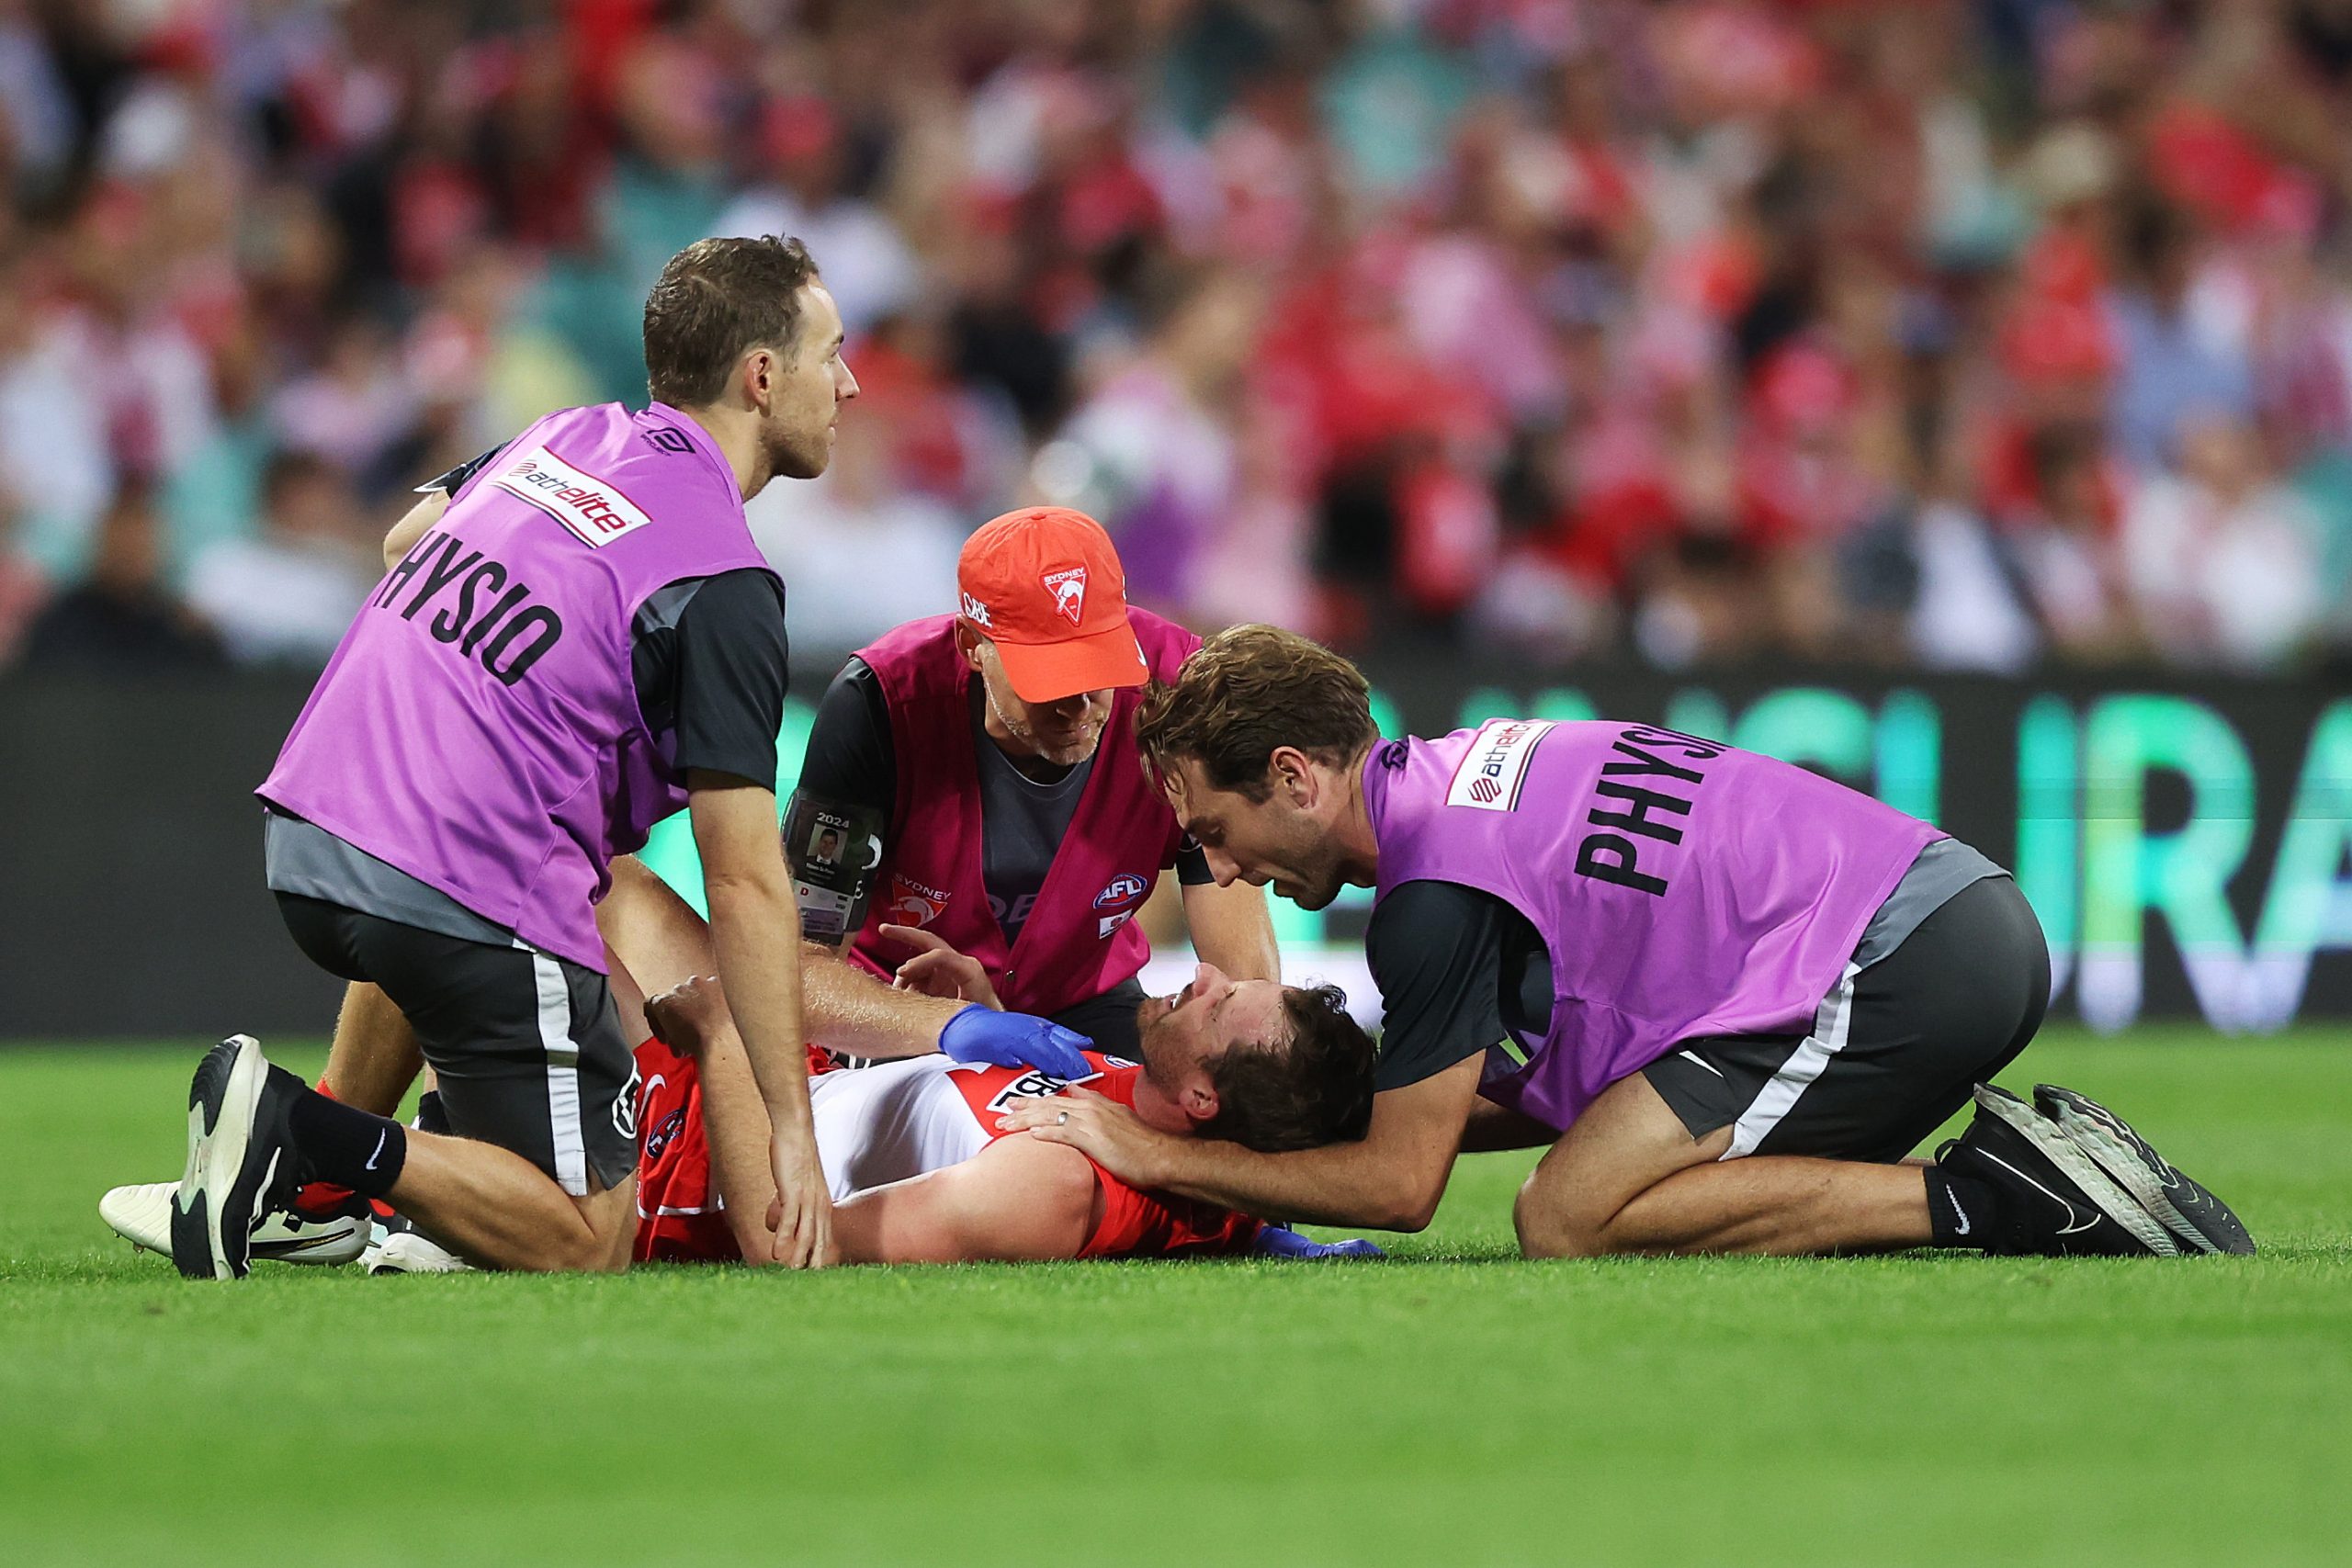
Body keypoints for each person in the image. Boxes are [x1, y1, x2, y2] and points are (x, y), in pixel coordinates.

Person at [999, 625, 2256, 1262]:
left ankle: (2010, 1198)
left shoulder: (1431, 895)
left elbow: (1401, 1185)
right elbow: (1489, 1096)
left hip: (1890, 963)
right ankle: (2025, 1177)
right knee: (1602, 1178)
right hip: (1928, 920)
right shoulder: (1466, 774)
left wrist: (1137, 1148)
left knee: (1574, 1215)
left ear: (1293, 774)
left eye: (1215, 829)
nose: (1217, 872)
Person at [164, 234, 860, 1280]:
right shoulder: (721, 578)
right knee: (588, 1241)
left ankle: (295, 1200)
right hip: (466, 872)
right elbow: (745, 882)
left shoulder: (565, 433)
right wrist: (791, 1139)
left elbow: (407, 545)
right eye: (832, 352)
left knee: (458, 911)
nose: (847, 382)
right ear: (762, 377)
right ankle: (301, 1131)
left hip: (312, 822)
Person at [786, 505, 1277, 1056]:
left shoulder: (1181, 696)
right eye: (1051, 679)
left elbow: (1249, 993)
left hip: (1087, 998)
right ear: (974, 647)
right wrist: (950, 1025)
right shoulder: (879, 705)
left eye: (1098, 668)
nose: (1082, 706)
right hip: (900, 1004)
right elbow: (801, 974)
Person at [631, 963, 1378, 1266]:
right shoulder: (1137, 1102)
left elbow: (789, 1248)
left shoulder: (1054, 1182)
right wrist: (976, 1022)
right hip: (789, 1078)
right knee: (611, 885)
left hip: (672, 1159)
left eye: (1218, 1007)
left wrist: (727, 1033)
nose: (1207, 975)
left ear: (1203, 1101)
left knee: (571, 897)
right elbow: (1233, 1212)